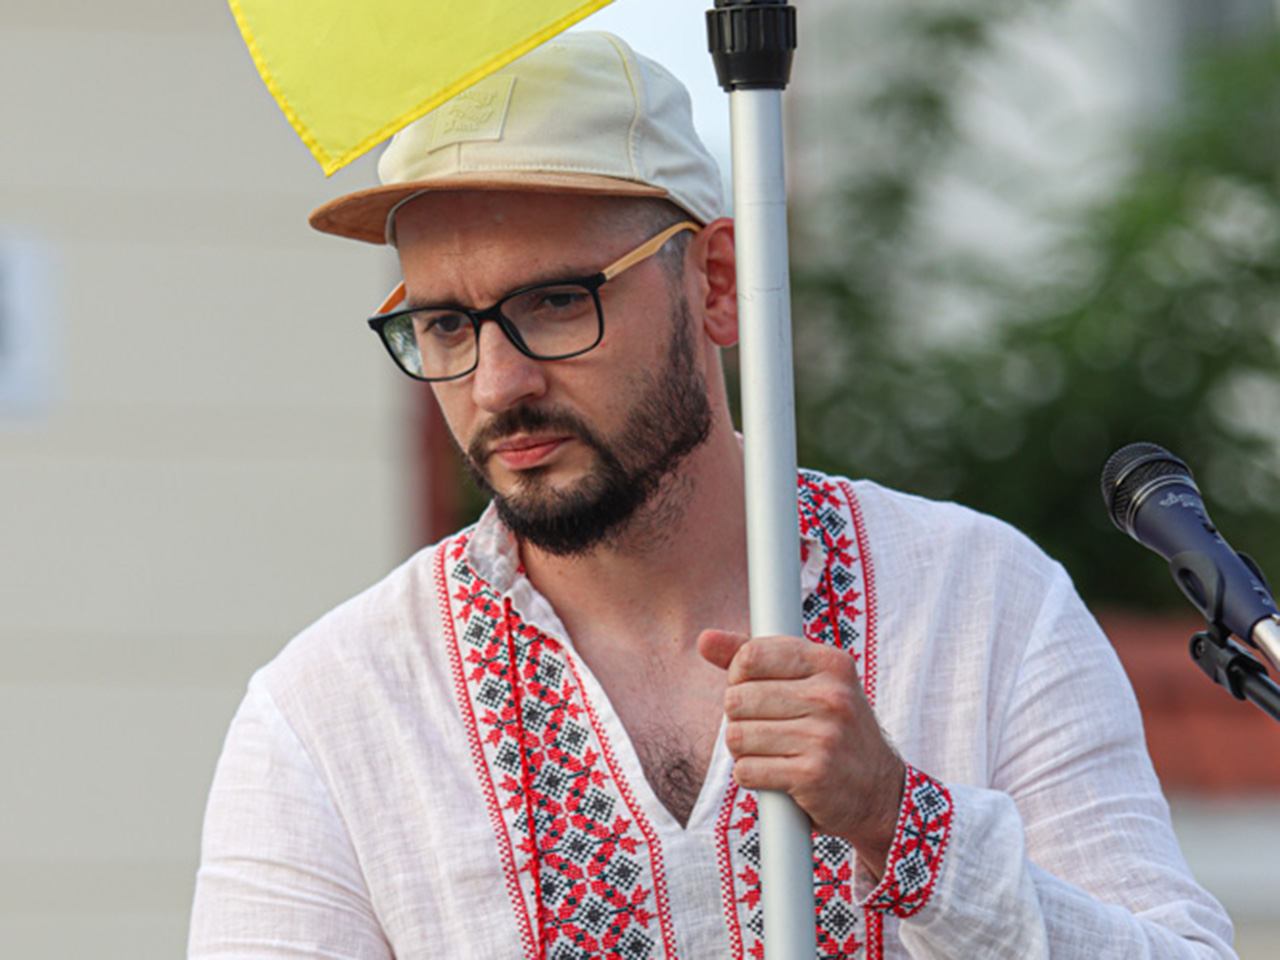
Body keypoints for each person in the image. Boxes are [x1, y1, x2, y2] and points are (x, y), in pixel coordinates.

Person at [188, 30, 1236, 960]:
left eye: (555, 302)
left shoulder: (983, 602)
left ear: (717, 283)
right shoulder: (332, 715)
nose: (497, 385)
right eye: (446, 326)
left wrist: (902, 824)